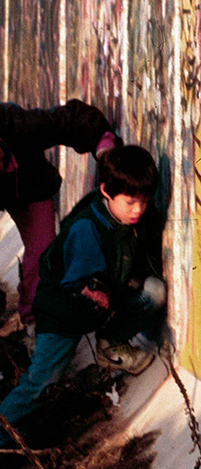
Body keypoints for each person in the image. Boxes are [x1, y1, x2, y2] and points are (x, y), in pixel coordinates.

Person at [0, 144, 165, 450]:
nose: (138, 210)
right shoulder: (87, 228)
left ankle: (109, 343)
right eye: (130, 202)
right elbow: (78, 280)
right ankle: (3, 432)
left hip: (98, 303)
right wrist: (94, 289)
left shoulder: (127, 219)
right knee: (42, 381)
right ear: (105, 191)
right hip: (62, 313)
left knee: (153, 292)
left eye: (144, 201)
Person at [0, 99, 120, 323]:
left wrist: (104, 146)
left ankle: (35, 320)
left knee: (43, 251)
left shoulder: (18, 125)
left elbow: (71, 118)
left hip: (31, 187)